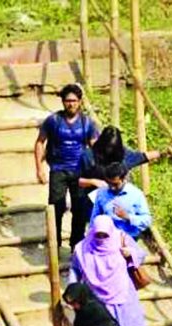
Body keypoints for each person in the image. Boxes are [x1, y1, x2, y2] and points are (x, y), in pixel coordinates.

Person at [70, 215, 153, 326]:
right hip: (97, 304)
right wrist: (73, 290)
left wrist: (130, 254)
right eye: (98, 235)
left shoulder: (121, 238)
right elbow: (75, 270)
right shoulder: (82, 249)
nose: (101, 238)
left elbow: (140, 254)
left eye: (104, 235)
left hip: (124, 299)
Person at [34, 84, 100, 249]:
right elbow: (40, 143)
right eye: (67, 101)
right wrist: (39, 169)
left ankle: (76, 245)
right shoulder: (53, 121)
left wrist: (100, 172)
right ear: (63, 102)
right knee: (56, 207)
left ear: (79, 102)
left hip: (80, 171)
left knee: (79, 208)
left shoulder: (87, 123)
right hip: (58, 169)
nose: (71, 104)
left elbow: (96, 147)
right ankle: (54, 244)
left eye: (74, 101)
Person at [88, 162, 152, 239]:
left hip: (128, 239)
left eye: (115, 184)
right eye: (109, 183)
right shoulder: (101, 193)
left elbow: (147, 220)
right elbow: (95, 217)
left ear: (124, 179)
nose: (112, 188)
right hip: (107, 239)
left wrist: (128, 217)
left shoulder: (136, 195)